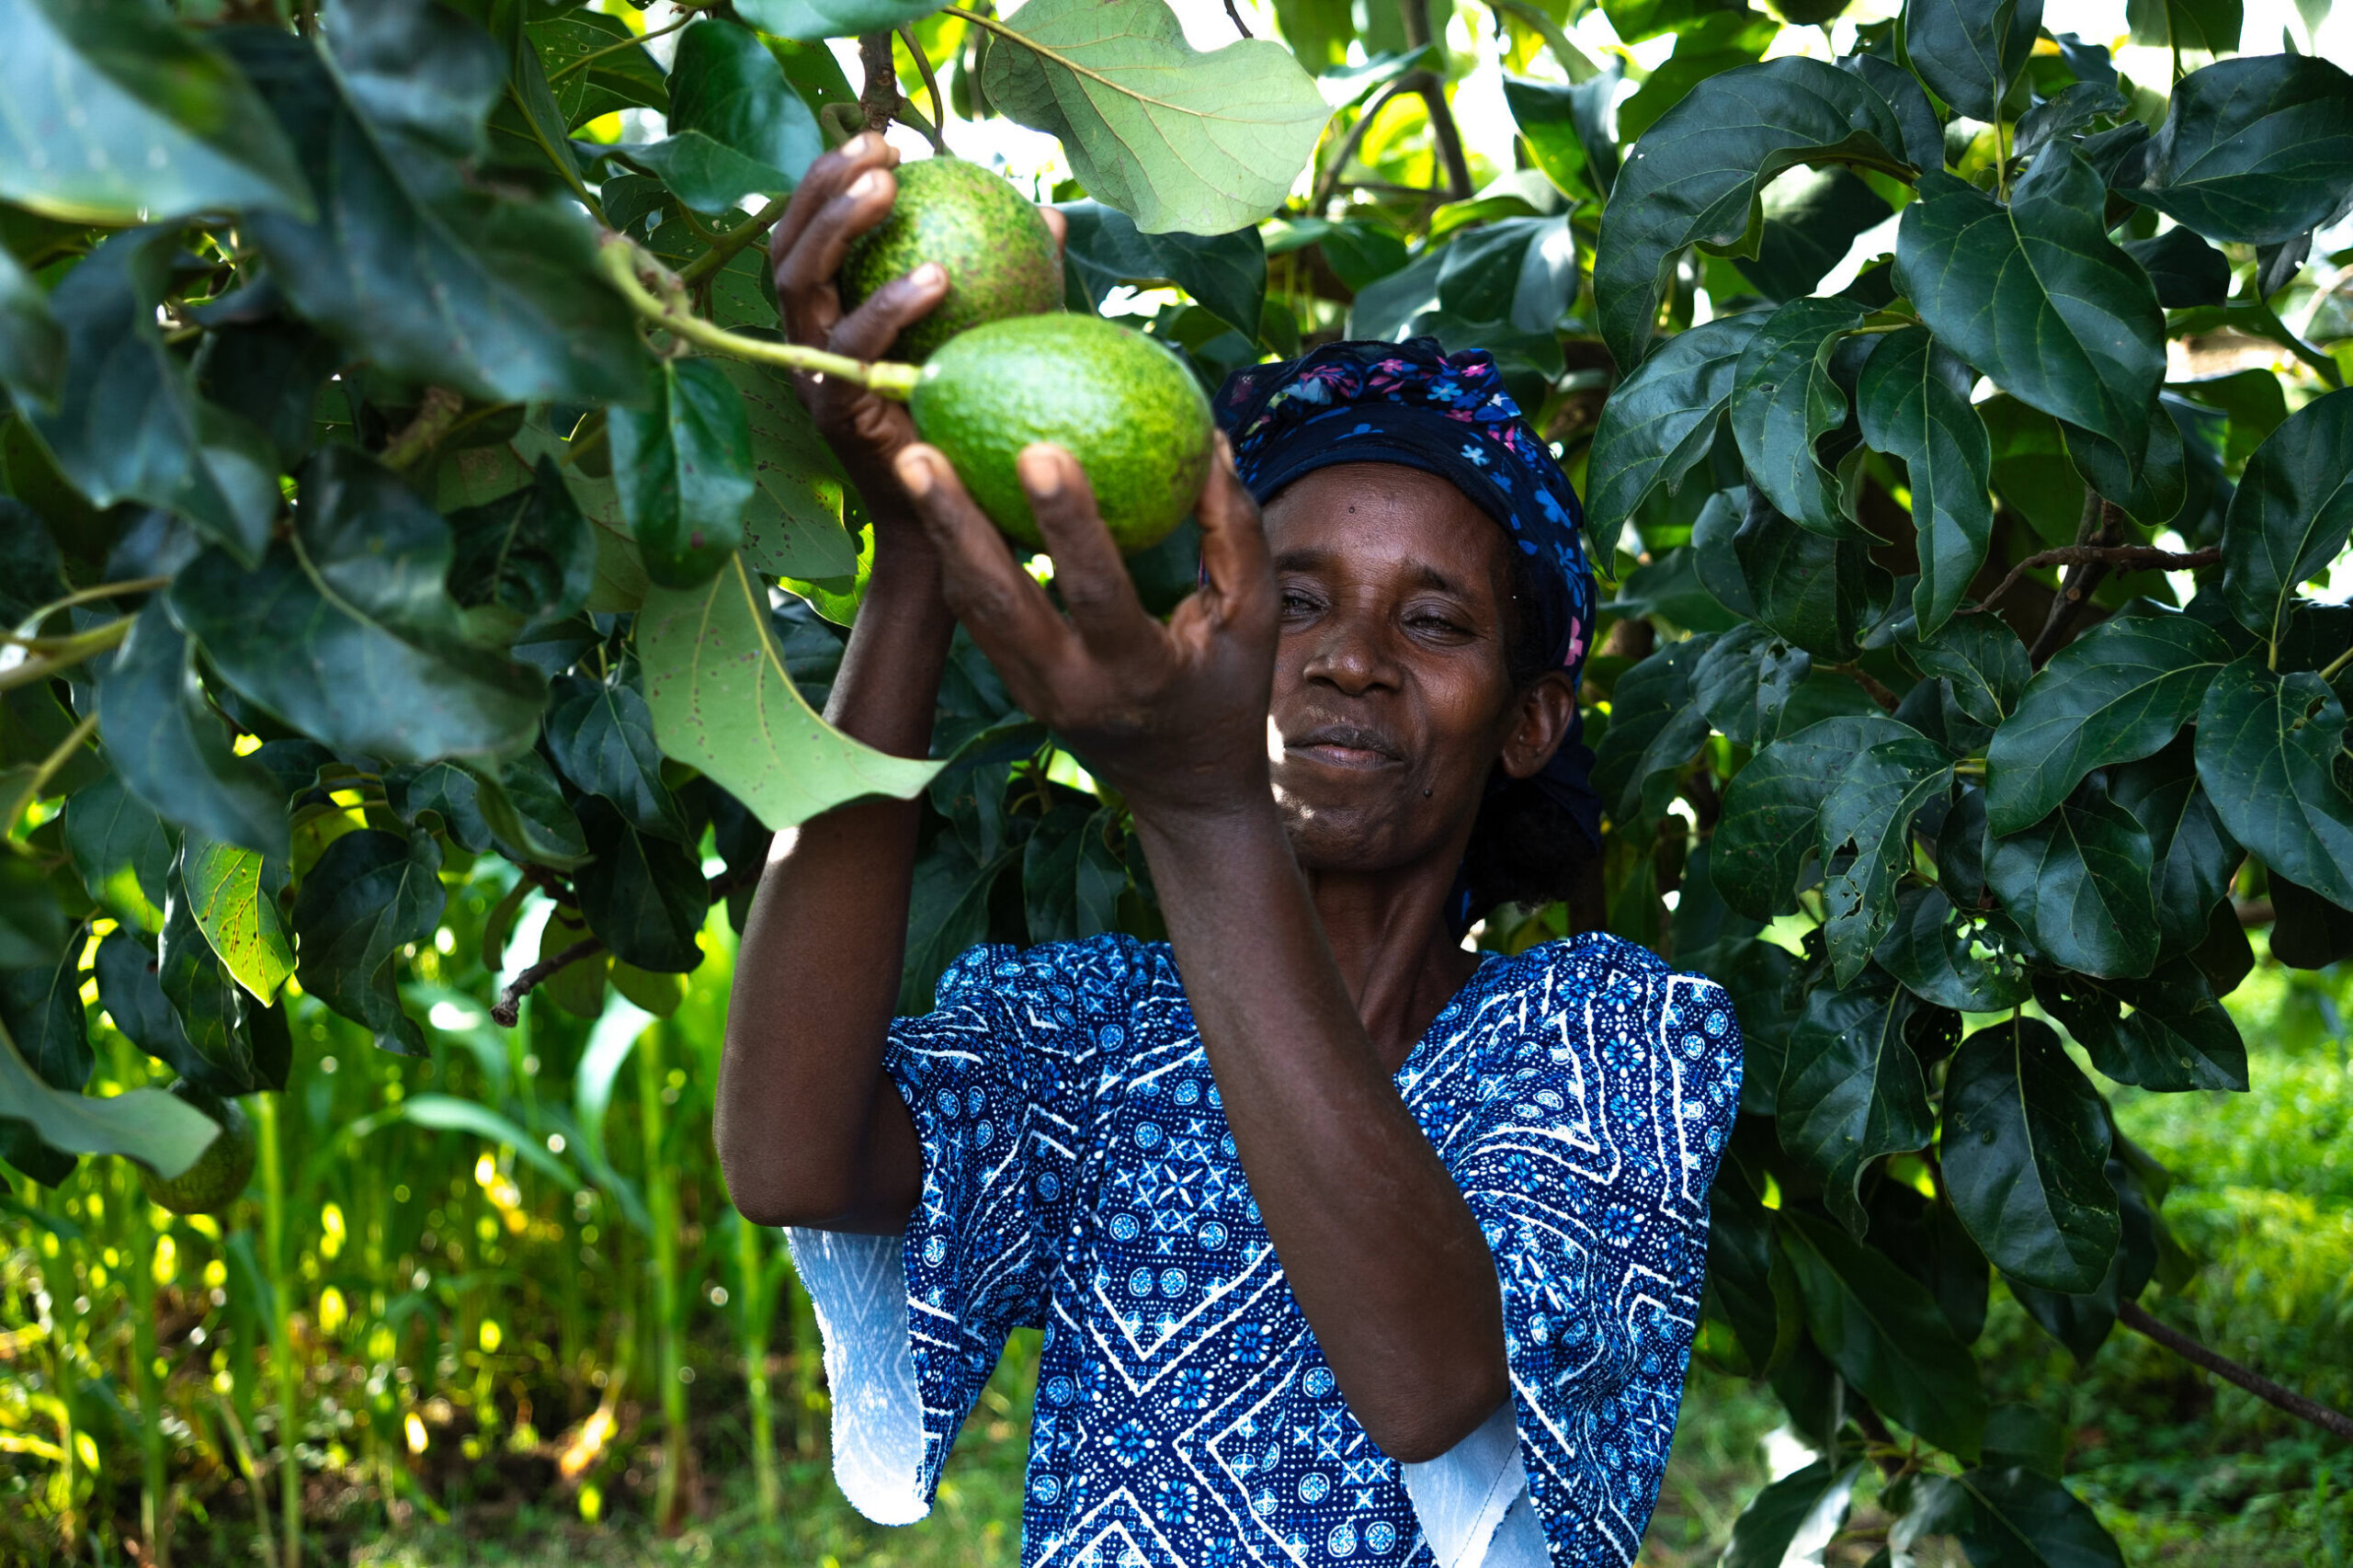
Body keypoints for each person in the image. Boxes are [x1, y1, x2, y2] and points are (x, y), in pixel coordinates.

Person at [717, 134, 1745, 1568]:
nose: (1352, 662)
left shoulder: (1613, 1040)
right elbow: (789, 1156)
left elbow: (1438, 1378)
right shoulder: (1100, 1033)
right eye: (1300, 602)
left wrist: (1198, 810)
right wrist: (916, 540)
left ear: (1531, 721)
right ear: (1227, 634)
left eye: (1434, 621)